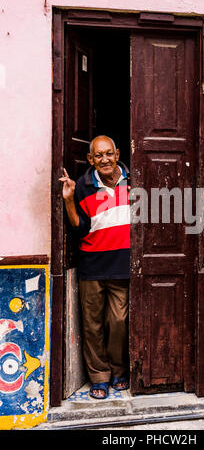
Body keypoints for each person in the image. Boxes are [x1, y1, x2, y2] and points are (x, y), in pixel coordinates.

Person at [59, 135, 130, 399]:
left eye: (108, 154)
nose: (104, 159)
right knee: (93, 324)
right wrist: (68, 198)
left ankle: (120, 370)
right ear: (91, 159)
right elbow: (79, 227)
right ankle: (99, 377)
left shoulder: (134, 181)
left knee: (119, 321)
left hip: (122, 264)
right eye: (98, 155)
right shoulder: (83, 185)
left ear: (117, 153)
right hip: (92, 263)